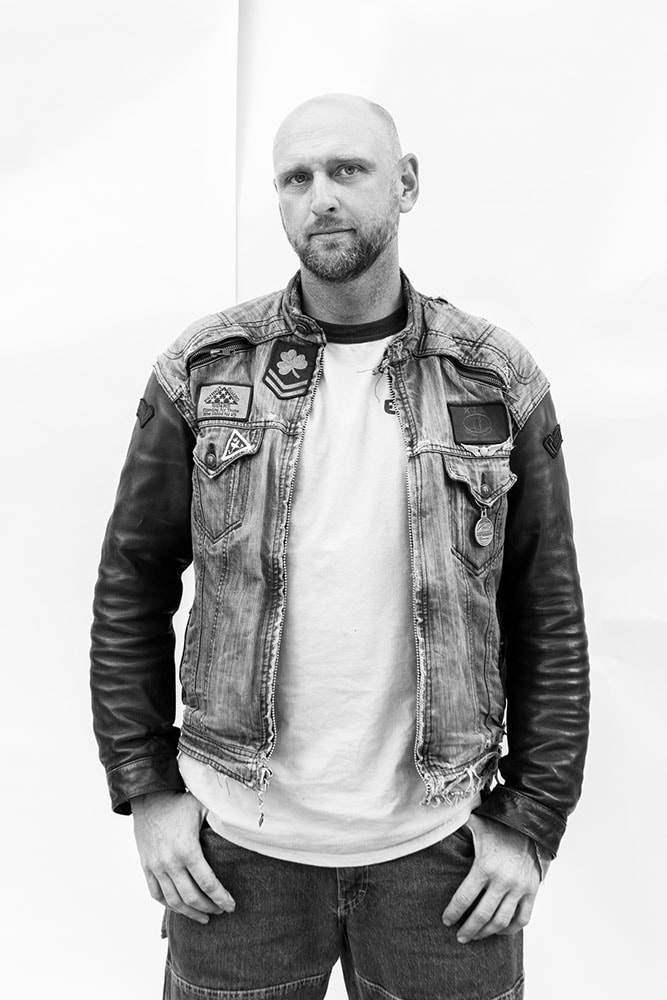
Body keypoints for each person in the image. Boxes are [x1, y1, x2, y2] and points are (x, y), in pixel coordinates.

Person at [91, 93, 589, 1000]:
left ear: (404, 184)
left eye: (348, 171)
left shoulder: (495, 376)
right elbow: (130, 583)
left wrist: (531, 819)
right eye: (296, 178)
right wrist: (149, 790)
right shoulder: (203, 371)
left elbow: (545, 610)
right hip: (233, 859)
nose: (321, 196)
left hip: (440, 855)